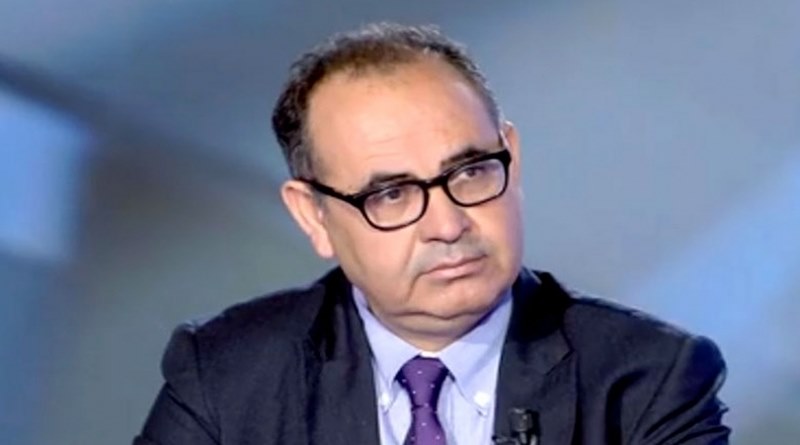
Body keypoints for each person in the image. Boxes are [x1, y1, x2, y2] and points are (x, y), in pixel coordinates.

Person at [133, 23, 729, 445]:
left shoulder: (649, 380)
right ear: (313, 215)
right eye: (391, 195)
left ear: (513, 158)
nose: (448, 225)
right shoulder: (228, 377)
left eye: (470, 173)